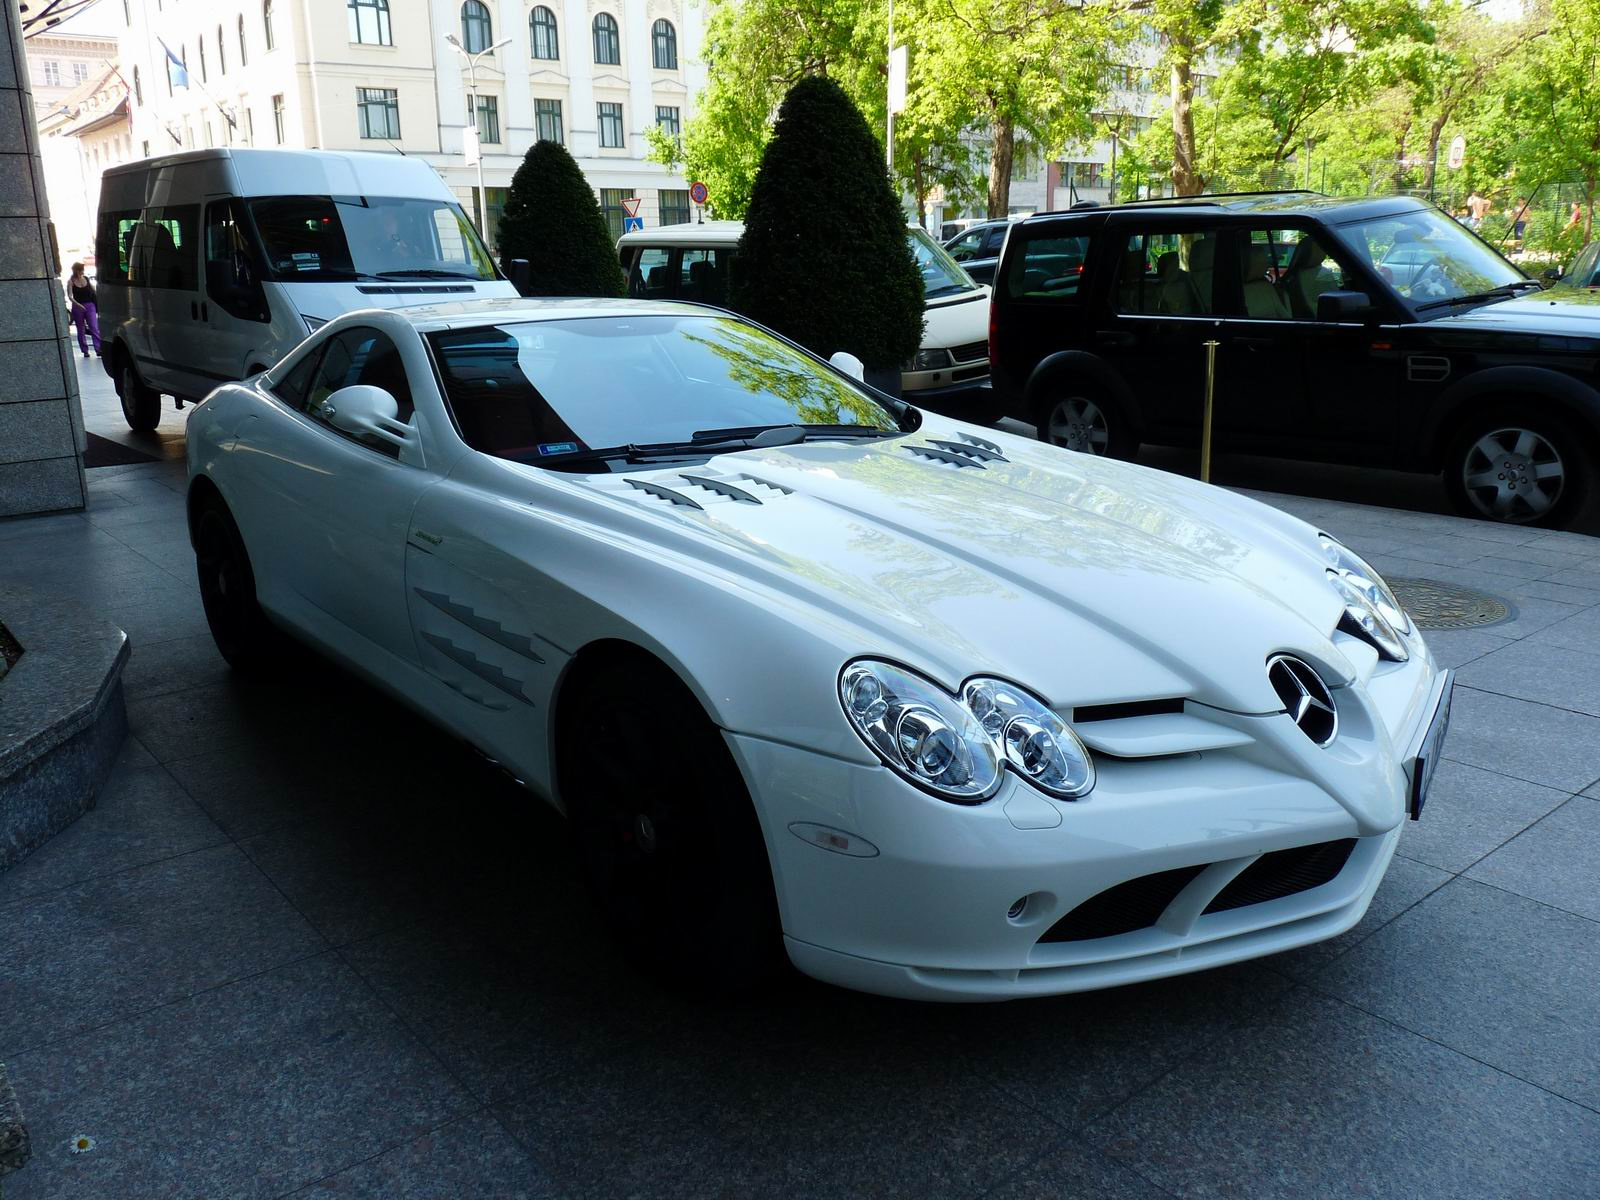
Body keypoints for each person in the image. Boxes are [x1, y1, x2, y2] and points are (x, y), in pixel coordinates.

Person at [65, 262, 100, 358]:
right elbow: (70, 296)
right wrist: (78, 304)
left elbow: (94, 291)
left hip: (89, 305)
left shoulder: (86, 279)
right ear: (76, 271)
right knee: (80, 329)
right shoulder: (71, 281)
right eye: (81, 270)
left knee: (94, 327)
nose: (82, 272)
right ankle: (85, 351)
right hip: (77, 307)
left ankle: (98, 349)